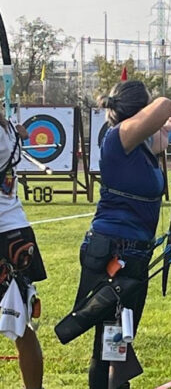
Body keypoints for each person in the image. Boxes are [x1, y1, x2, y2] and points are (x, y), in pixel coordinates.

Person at [71, 81, 171, 389]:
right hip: (115, 253)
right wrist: (161, 112)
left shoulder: (137, 145)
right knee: (110, 340)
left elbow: (162, 136)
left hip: (130, 253)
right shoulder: (118, 136)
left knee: (118, 338)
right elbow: (164, 106)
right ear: (140, 112)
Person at [1, 110, 46, 389]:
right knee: (22, 324)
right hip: (15, 231)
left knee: (21, 323)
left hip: (6, 234)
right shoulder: (8, 130)